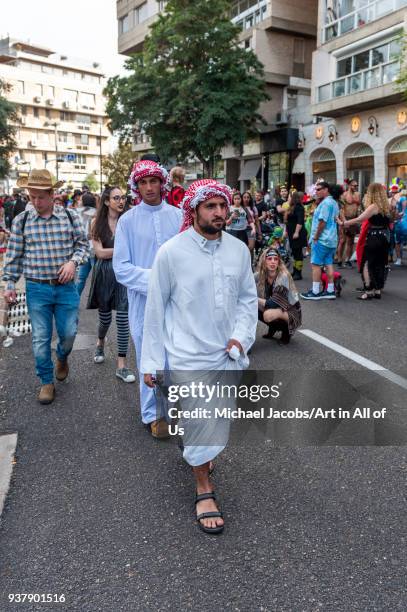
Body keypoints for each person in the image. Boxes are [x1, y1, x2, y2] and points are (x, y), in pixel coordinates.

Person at [141, 178, 258, 535]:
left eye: (223, 206)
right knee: (201, 422)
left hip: (226, 355)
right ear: (193, 210)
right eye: (211, 206)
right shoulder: (171, 253)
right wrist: (150, 362)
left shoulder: (238, 250)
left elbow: (247, 299)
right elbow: (156, 311)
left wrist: (240, 337)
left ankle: (198, 451)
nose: (220, 213)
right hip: (186, 354)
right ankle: (204, 489)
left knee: (213, 420)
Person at [2, 169, 89, 404]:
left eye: (41, 196)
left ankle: (62, 356)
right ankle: (46, 381)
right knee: (40, 338)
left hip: (66, 288)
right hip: (36, 288)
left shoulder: (70, 217)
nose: (36, 202)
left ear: (52, 194)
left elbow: (83, 246)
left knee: (69, 334)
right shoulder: (22, 221)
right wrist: (10, 283)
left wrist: (73, 262)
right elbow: (14, 255)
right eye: (32, 197)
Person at [113, 160, 182, 437]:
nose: (149, 187)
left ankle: (175, 409)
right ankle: (153, 414)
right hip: (143, 302)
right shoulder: (127, 221)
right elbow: (121, 268)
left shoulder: (178, 216)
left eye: (154, 181)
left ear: (162, 183)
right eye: (143, 182)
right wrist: (155, 280)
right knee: (149, 355)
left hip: (177, 300)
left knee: (177, 355)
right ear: (136, 186)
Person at [87, 187, 135, 382]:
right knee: (105, 319)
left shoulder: (129, 221)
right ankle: (100, 342)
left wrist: (115, 252)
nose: (121, 201)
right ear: (107, 201)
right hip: (105, 274)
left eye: (123, 197)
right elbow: (99, 253)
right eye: (116, 198)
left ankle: (121, 365)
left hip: (124, 273)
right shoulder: (95, 223)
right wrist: (124, 251)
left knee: (123, 319)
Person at [343, 183, 391, 300]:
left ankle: (369, 290)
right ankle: (377, 290)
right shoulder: (386, 205)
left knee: (366, 263)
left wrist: (344, 223)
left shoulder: (374, 206)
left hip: (374, 237)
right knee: (380, 263)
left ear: (372, 193)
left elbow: (360, 219)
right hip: (385, 237)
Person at [301, 181, 339, 301]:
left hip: (322, 239)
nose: (316, 192)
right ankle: (330, 290)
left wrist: (315, 237)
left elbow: (322, 222)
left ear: (326, 189)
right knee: (328, 264)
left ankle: (316, 291)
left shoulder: (326, 203)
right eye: (315, 189)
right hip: (332, 238)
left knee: (316, 265)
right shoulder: (333, 202)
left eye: (318, 189)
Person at [255, 247, 301, 343]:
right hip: (275, 308)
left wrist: (253, 299)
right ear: (264, 261)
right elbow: (245, 281)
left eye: (275, 259)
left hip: (290, 311)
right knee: (251, 307)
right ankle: (273, 327)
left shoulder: (283, 276)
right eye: (269, 259)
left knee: (267, 314)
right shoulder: (261, 274)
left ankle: (286, 332)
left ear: (279, 262)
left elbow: (272, 304)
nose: (273, 262)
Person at [75, 192, 97, 296]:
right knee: (98, 278)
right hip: (94, 249)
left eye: (80, 200)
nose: (78, 201)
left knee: (81, 278)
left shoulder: (78, 213)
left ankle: (74, 300)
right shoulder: (97, 213)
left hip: (87, 250)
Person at [336, 179, 360, 268]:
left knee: (351, 241)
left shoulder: (358, 194)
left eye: (356, 185)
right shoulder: (344, 195)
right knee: (342, 241)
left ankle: (347, 260)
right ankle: (339, 261)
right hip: (345, 219)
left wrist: (358, 219)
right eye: (354, 185)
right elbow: (341, 209)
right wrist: (344, 221)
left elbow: (358, 207)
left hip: (354, 219)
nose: (356, 187)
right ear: (349, 185)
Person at [285, 191, 307, 280]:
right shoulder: (292, 207)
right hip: (292, 233)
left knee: (298, 254)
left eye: (290, 197)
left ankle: (298, 272)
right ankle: (295, 271)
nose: (288, 198)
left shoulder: (299, 208)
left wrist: (296, 232)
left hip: (297, 234)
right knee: (295, 253)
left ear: (293, 198)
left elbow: (300, 221)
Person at [242, 191, 259, 257]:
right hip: (241, 229)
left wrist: (259, 232)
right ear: (242, 198)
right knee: (244, 248)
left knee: (251, 248)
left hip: (251, 229)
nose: (246, 199)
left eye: (248, 197)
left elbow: (257, 221)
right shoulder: (239, 207)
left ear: (250, 199)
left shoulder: (253, 208)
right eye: (244, 197)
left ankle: (250, 265)